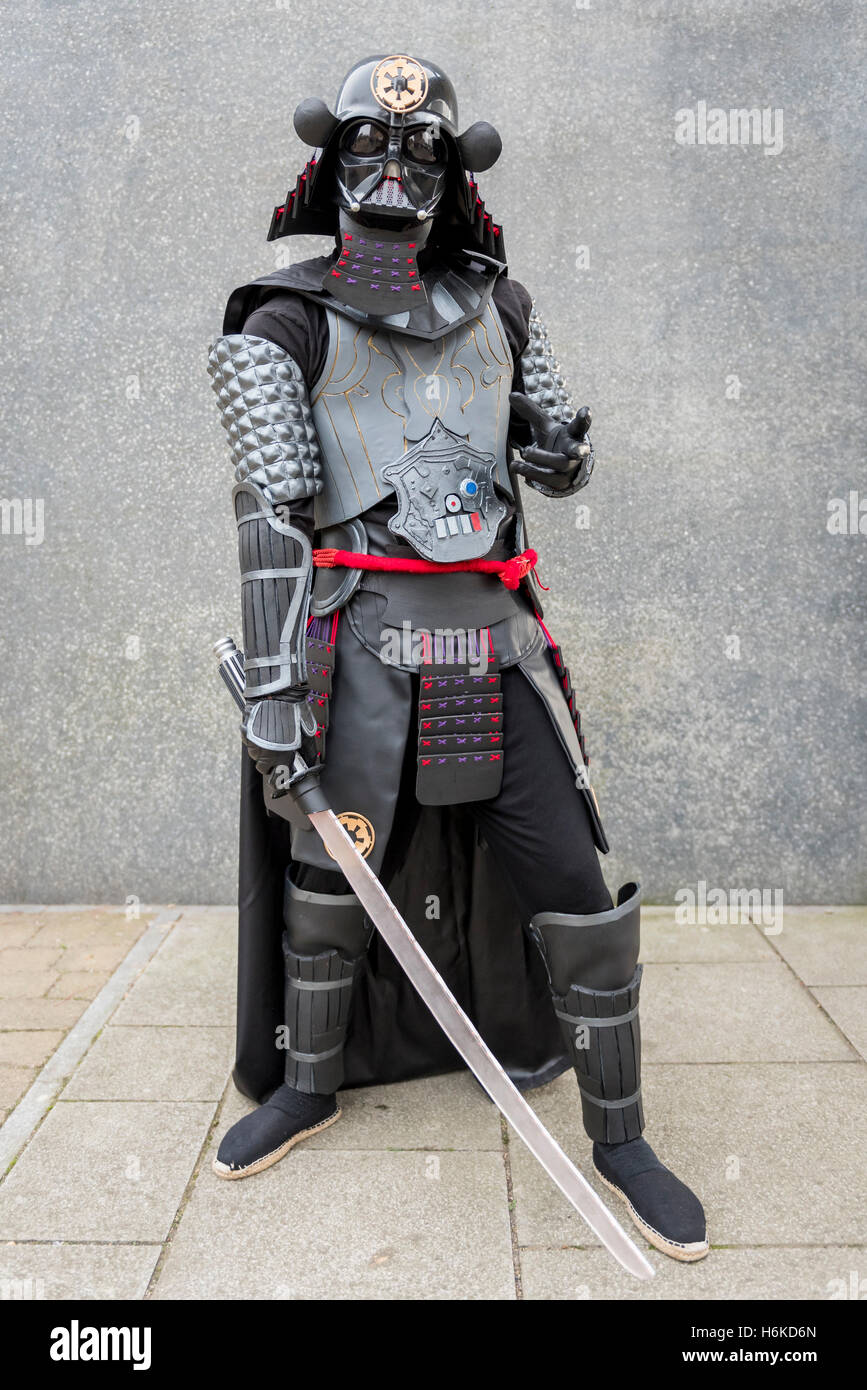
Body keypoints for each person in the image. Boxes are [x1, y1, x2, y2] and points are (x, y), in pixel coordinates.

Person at [207, 53, 708, 1262]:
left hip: (496, 631)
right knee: (332, 880)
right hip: (359, 640)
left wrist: (557, 450)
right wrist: (275, 689)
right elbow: (272, 513)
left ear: (451, 172)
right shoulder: (281, 323)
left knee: (574, 884)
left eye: (421, 151)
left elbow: (553, 456)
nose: (394, 170)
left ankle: (623, 1133)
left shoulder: (508, 307)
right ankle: (310, 1082)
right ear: (330, 167)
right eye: (371, 151)